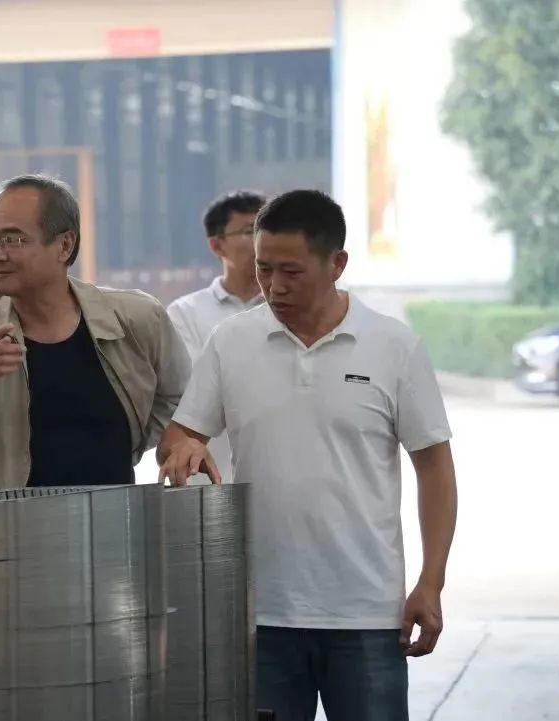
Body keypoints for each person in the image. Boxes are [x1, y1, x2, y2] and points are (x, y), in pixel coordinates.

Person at [158, 190, 458, 721]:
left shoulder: (393, 346)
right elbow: (179, 435)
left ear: (337, 263)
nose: (274, 286)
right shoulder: (232, 341)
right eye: (264, 268)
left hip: (367, 614)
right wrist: (184, 446)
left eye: (291, 271)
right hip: (259, 614)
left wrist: (430, 583)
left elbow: (434, 468)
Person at [0, 173, 192, 490]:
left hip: (116, 516)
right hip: (9, 520)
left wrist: (133, 441)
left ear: (64, 245)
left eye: (13, 240)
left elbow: (182, 400)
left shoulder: (136, 319)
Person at [166, 190, 267, 485]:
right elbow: (195, 390)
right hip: (210, 483)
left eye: (265, 229)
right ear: (216, 244)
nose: (260, 240)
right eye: (249, 231)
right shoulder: (186, 313)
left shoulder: (289, 311)